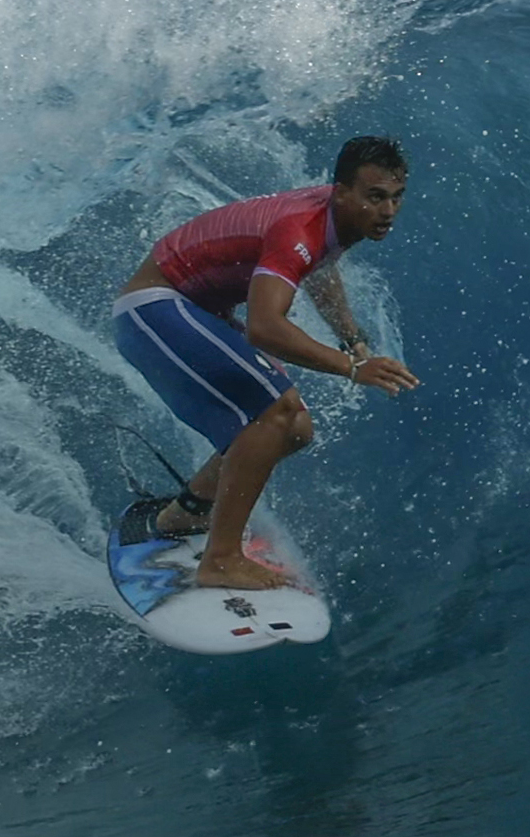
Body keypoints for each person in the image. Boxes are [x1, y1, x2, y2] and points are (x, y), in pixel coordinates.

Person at [111, 135, 420, 591]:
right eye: (375, 197)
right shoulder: (298, 228)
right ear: (341, 192)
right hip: (154, 308)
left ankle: (185, 515)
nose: (388, 211)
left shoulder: (334, 217)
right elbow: (265, 327)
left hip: (197, 312)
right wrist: (351, 368)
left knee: (294, 428)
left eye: (397, 196)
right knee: (275, 412)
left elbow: (320, 266)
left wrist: (353, 339)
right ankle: (220, 560)